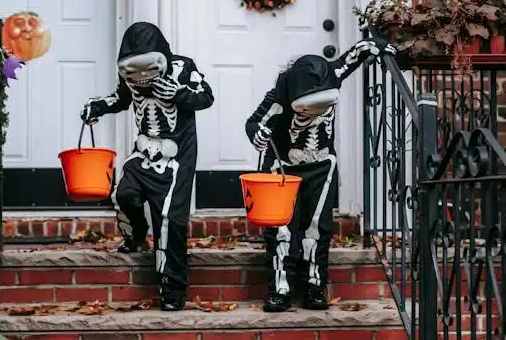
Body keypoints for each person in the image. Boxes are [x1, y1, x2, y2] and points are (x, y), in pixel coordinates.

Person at [244, 37, 395, 312]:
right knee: (281, 231)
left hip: (322, 168)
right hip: (284, 171)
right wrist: (259, 135)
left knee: (317, 229)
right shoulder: (281, 93)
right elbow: (254, 122)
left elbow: (357, 53)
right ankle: (280, 287)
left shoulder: (333, 74)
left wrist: (382, 46)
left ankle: (315, 286)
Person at [81, 22, 214, 311]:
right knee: (122, 194)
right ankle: (137, 234)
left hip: (177, 154)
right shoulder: (131, 77)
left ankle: (173, 289)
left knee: (170, 220)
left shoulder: (182, 68)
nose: (141, 78)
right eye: (133, 73)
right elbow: (122, 98)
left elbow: (206, 97)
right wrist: (97, 106)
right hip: (145, 148)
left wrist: (178, 94)